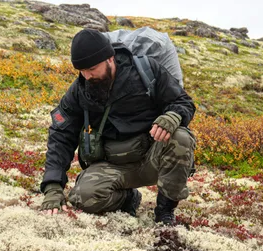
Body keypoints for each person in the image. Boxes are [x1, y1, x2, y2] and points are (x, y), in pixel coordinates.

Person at [40, 28, 196, 225]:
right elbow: (61, 134)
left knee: (181, 137)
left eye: (93, 69)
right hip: (113, 166)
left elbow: (183, 102)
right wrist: (53, 186)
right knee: (83, 198)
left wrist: (173, 115)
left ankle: (165, 212)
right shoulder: (79, 91)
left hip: (152, 158)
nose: (87, 76)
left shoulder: (146, 71)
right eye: (82, 70)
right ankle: (128, 199)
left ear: (110, 59)